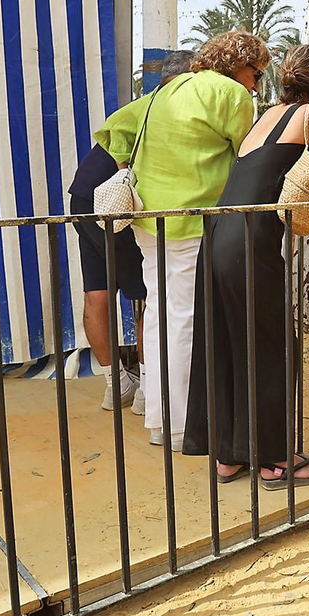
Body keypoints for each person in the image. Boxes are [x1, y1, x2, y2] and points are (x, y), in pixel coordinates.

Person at [184, 45, 309, 487]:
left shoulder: (265, 115)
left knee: (230, 343)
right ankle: (274, 461)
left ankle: (230, 455)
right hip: (251, 243)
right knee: (272, 347)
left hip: (218, 237)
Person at [123, 31, 262, 447]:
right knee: (184, 318)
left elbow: (116, 128)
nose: (255, 84)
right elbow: (248, 155)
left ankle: (160, 419)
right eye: (255, 73)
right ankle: (184, 425)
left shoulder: (169, 88)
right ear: (239, 65)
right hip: (191, 219)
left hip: (148, 217)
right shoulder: (232, 95)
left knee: (161, 313)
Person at [68, 53, 196, 413]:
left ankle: (116, 386)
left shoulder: (140, 105)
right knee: (148, 298)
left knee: (97, 293)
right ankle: (145, 392)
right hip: (119, 205)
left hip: (85, 196)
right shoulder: (168, 111)